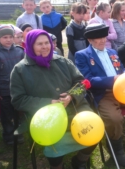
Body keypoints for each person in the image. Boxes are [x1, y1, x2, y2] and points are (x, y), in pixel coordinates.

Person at [75, 23, 125, 167]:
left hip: (124, 90)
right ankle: (117, 151)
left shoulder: (112, 52)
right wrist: (112, 80)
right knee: (114, 118)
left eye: (103, 37)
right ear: (89, 40)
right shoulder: (82, 55)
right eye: (97, 38)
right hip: (104, 94)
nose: (102, 40)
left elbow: (121, 69)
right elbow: (88, 80)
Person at [10, 29, 96, 169]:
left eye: (47, 43)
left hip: (75, 108)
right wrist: (48, 103)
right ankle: (57, 165)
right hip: (46, 117)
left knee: (93, 130)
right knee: (54, 139)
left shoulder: (62, 61)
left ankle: (80, 161)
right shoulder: (20, 69)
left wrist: (71, 96)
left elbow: (81, 82)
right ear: (30, 46)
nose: (44, 46)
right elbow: (18, 100)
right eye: (39, 44)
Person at [0, 24, 25, 144]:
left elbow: (25, 70)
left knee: (19, 112)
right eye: (5, 37)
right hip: (4, 91)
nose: (8, 40)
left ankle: (19, 133)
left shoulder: (19, 51)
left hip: (19, 90)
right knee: (6, 115)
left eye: (10, 36)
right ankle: (8, 136)